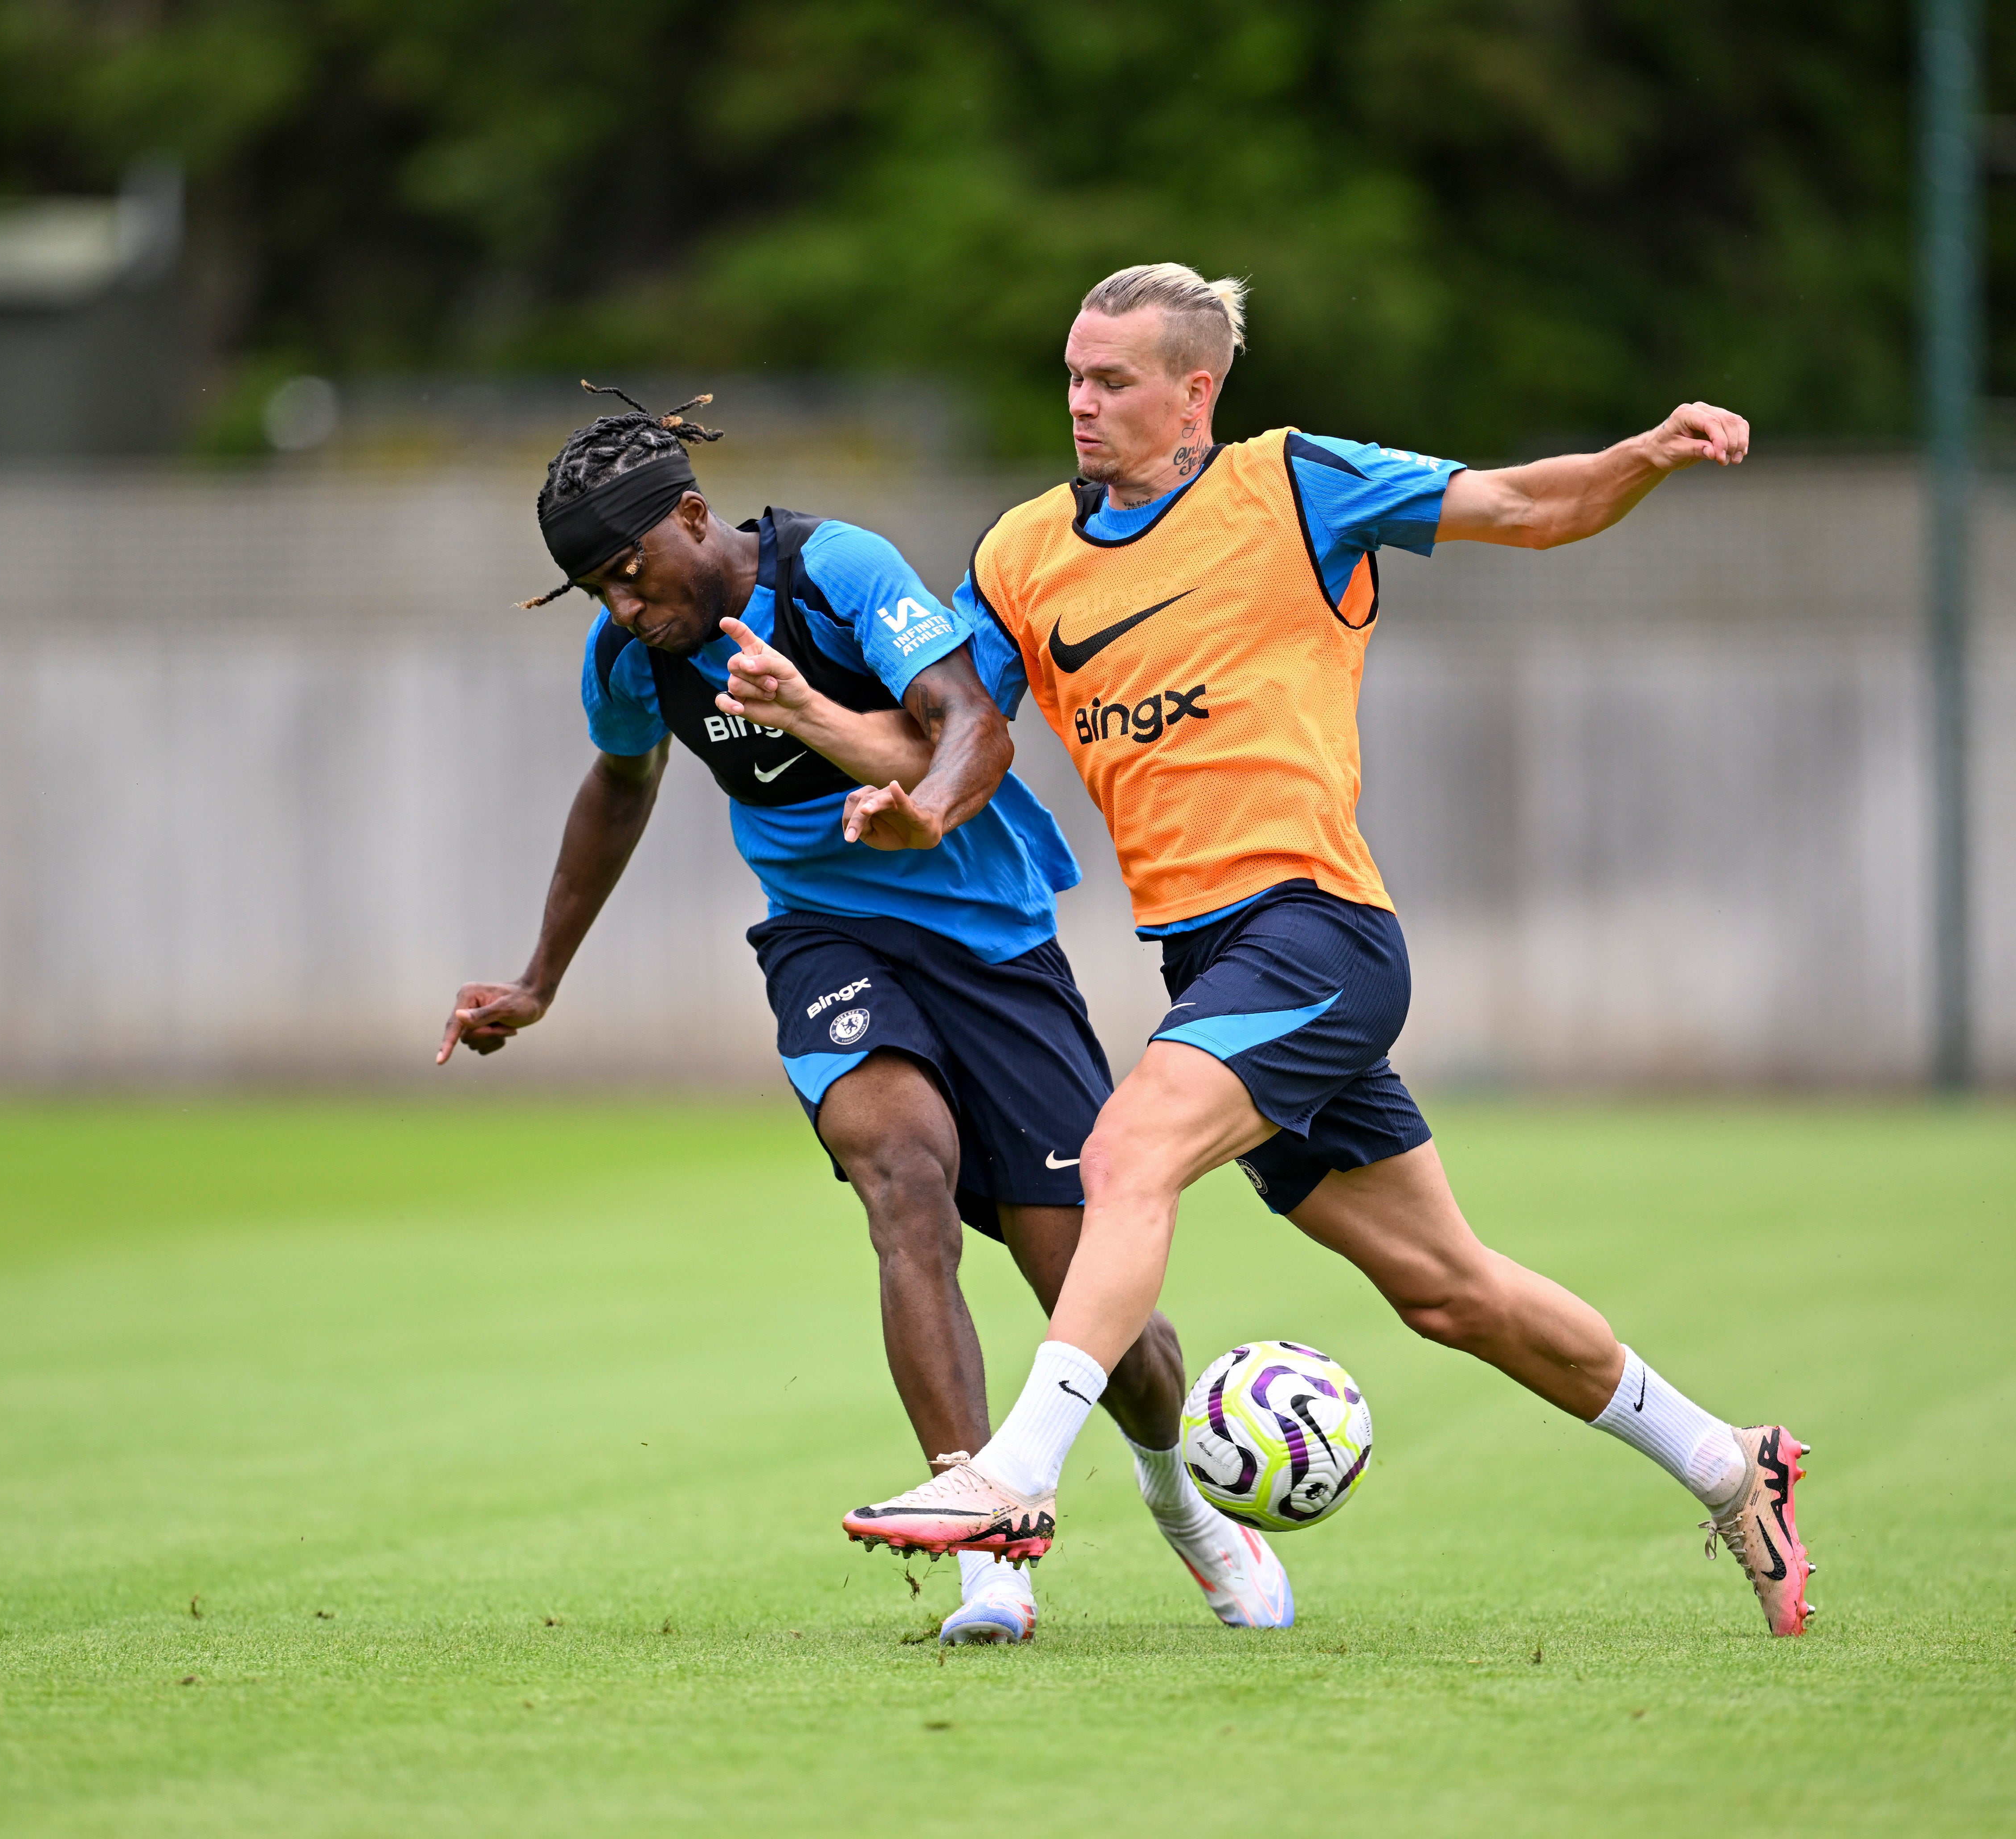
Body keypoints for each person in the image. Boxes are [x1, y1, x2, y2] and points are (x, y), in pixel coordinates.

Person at [832, 267, 1818, 1638]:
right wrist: (814, 729)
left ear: (1198, 394)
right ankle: (1730, 1462)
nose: (1082, 402)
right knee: (1450, 1291)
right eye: (1073, 375)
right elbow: (950, 732)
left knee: (1126, 1155)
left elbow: (1527, 507)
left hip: (1314, 932)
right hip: (1210, 966)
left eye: (1113, 381)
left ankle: (1016, 1476)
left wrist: (1643, 456)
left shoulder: (1292, 485)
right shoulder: (1022, 554)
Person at [440, 384, 1295, 1642]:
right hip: (826, 940)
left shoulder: (836, 569)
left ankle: (1183, 1505)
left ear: (694, 515)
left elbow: (974, 726)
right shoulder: (633, 659)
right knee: (899, 1174)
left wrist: (924, 807)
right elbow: (620, 788)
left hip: (992, 947)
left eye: (634, 573)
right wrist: (540, 979)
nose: (628, 609)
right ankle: (985, 1552)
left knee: (1095, 1306)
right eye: (601, 593)